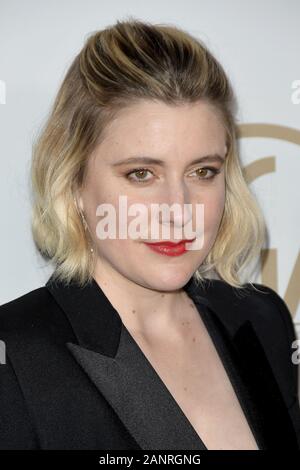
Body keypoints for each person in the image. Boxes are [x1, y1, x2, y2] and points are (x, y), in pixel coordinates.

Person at [0, 18, 299, 450]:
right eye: (141, 173)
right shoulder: (15, 357)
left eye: (203, 171)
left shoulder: (262, 318)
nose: (178, 211)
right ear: (74, 182)